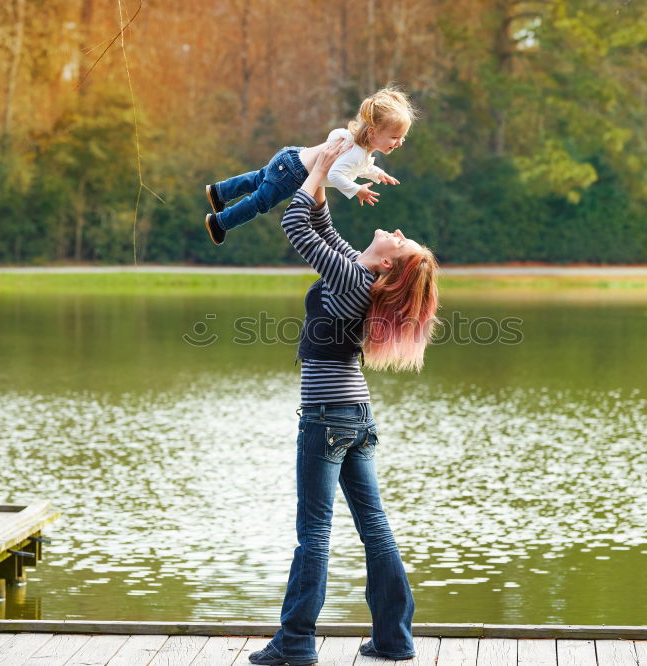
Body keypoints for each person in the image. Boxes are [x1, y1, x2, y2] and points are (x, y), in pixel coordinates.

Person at [247, 140, 439, 666]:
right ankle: (395, 639)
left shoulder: (355, 281)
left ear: (390, 268)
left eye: (401, 242)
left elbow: (295, 226)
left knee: (313, 532)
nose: (395, 233)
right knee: (373, 525)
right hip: (354, 416)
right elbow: (322, 231)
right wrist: (327, 179)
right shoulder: (357, 271)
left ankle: (295, 643)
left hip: (328, 417)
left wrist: (324, 168)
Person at [203, 87, 416, 246]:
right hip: (294, 174)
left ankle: (219, 191)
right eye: (395, 137)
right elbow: (335, 175)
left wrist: (378, 174)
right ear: (372, 132)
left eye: (402, 138)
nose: (399, 142)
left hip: (292, 157)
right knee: (260, 202)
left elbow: (358, 165)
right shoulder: (358, 152)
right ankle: (220, 222)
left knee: (260, 179)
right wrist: (356, 190)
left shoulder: (357, 144)